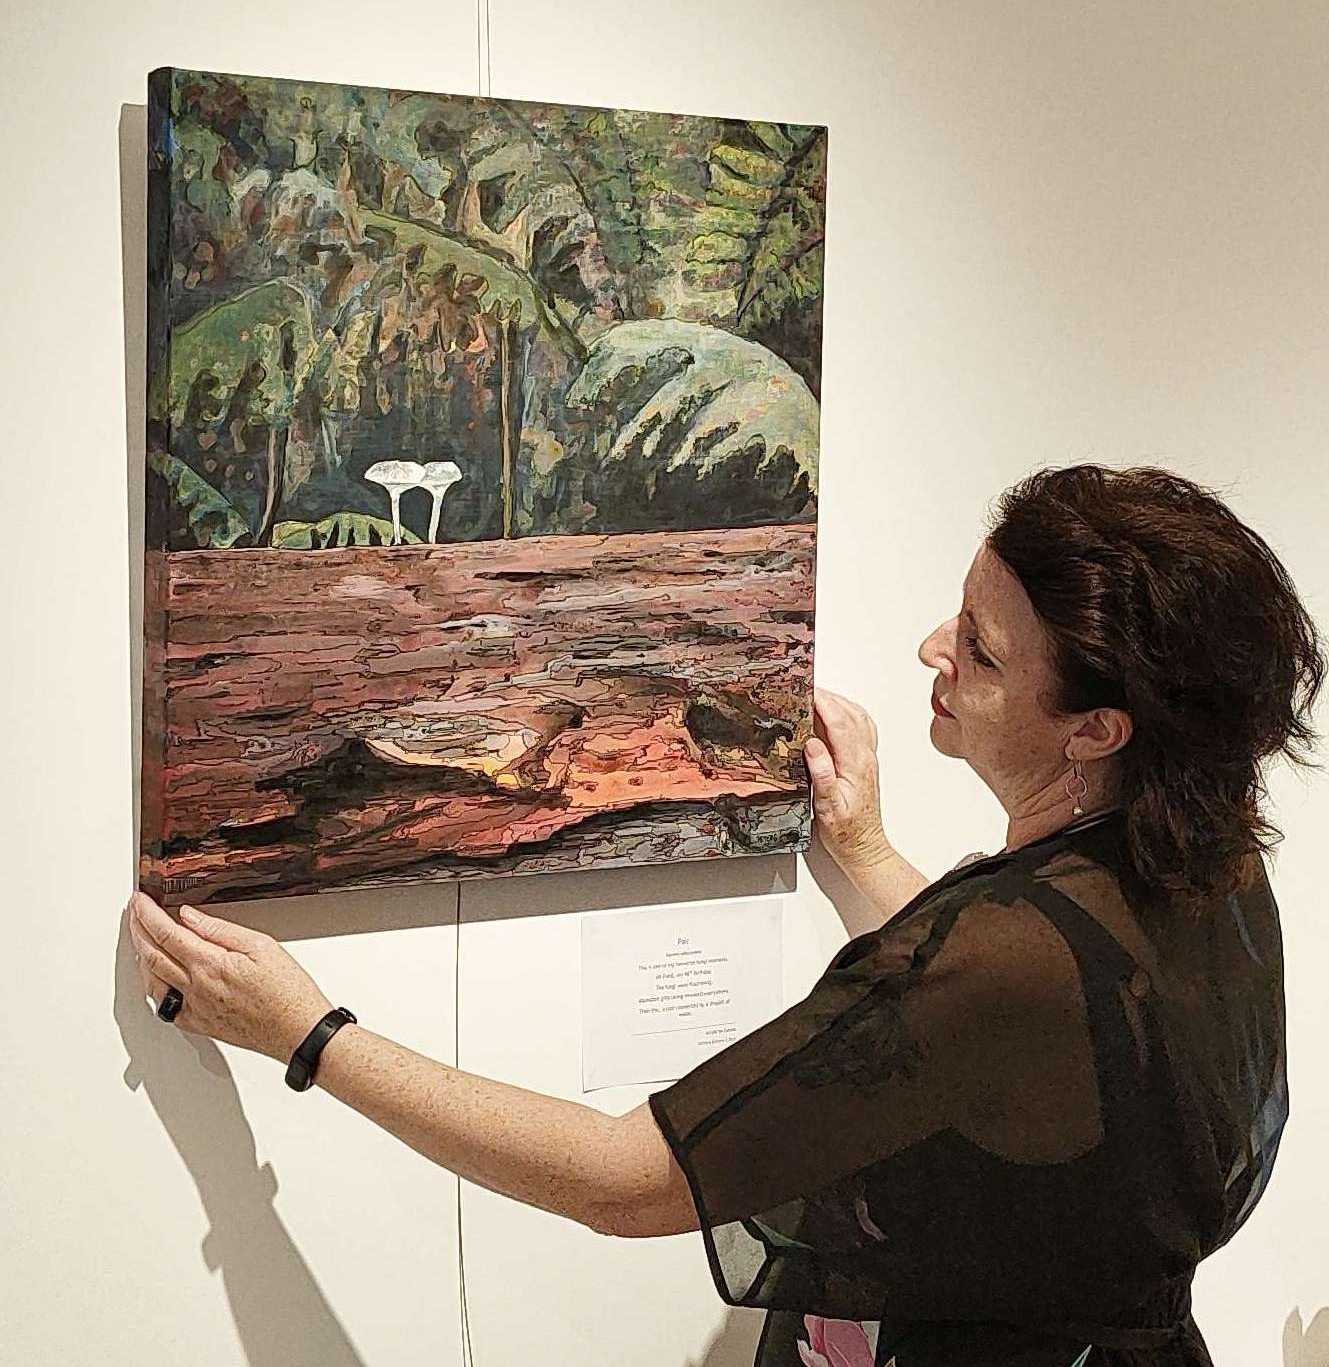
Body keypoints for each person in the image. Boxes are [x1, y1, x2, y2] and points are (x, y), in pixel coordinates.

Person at [127, 464, 1323, 1367]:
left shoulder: (1010, 955)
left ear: (1097, 728)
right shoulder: (1206, 866)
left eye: (983, 651)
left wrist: (310, 1034)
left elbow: (624, 1179)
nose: (932, 648)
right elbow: (1026, 1033)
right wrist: (866, 851)